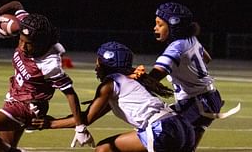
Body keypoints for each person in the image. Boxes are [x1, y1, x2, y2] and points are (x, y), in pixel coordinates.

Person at [0, 1, 94, 152]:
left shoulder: (49, 64)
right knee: (4, 147)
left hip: (27, 108)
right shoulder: (27, 26)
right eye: (20, 40)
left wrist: (80, 127)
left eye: (28, 44)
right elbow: (17, 5)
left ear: (42, 43)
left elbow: (70, 93)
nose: (22, 46)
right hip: (13, 98)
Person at [32, 41, 195, 152]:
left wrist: (48, 124)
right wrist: (52, 122)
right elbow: (84, 117)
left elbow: (86, 119)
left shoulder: (110, 84)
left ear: (105, 63)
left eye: (98, 61)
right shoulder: (127, 82)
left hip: (161, 129)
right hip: (182, 127)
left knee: (104, 149)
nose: (96, 66)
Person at [146, 2, 229, 150]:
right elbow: (207, 58)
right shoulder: (191, 39)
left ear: (173, 26)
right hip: (209, 98)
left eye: (159, 24)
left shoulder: (176, 48)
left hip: (196, 103)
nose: (155, 28)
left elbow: (153, 78)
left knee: (157, 130)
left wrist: (132, 75)